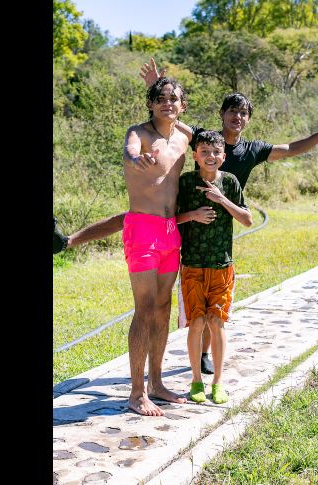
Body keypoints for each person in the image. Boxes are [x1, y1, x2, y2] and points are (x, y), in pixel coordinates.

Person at [61, 57, 318, 375]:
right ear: (222, 115)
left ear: (248, 119)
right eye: (232, 111)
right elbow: (168, 117)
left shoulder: (251, 150)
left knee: (208, 295)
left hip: (214, 223)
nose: (237, 117)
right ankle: (69, 241)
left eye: (243, 113)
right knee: (133, 219)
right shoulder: (203, 138)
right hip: (180, 214)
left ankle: (201, 356)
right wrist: (157, 86)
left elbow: (291, 148)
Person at [121, 77, 190, 416]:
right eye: (160, 98)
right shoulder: (139, 133)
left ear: (183, 106)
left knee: (163, 308)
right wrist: (137, 161)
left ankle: (157, 383)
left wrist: (163, 91)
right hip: (143, 229)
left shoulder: (184, 138)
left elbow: (187, 126)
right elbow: (130, 151)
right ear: (149, 104)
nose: (167, 103)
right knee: (145, 309)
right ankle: (136, 393)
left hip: (170, 231)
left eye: (174, 99)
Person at [176, 130, 252, 404]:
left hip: (222, 264)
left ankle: (218, 383)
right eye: (204, 152)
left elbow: (247, 220)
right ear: (195, 155)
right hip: (192, 263)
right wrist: (193, 215)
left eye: (215, 152)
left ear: (224, 156)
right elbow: (171, 218)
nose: (210, 157)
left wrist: (221, 199)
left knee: (217, 323)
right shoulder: (185, 182)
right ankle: (196, 380)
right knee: (196, 322)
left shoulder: (230, 182)